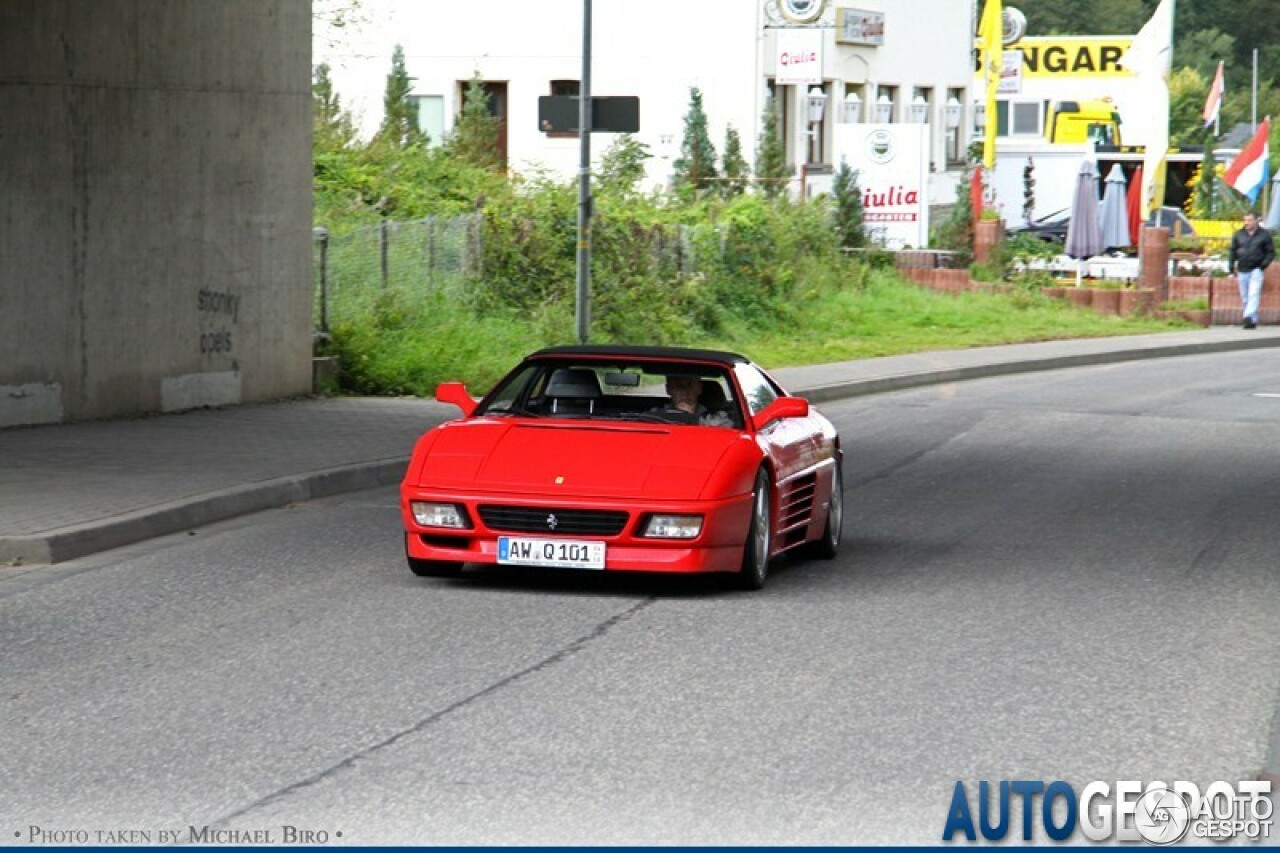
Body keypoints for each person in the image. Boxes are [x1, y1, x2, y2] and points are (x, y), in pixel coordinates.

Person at [1229, 210, 1275, 329]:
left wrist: (1263, 265)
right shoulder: (1239, 234)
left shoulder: (1264, 235)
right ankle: (1251, 321)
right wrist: (1231, 265)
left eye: (1249, 220)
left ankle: (1248, 317)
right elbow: (1233, 251)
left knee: (1253, 294)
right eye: (1245, 220)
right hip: (1242, 269)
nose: (1247, 223)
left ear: (1256, 220)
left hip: (1256, 269)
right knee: (1245, 296)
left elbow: (1270, 252)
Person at [649, 374, 732, 426]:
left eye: (690, 385)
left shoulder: (717, 418)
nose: (685, 391)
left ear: (699, 388)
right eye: (679, 386)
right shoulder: (654, 415)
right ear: (668, 389)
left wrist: (689, 417)